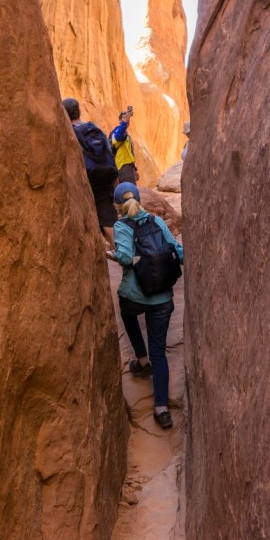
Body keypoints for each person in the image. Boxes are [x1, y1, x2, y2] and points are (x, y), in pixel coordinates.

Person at [106, 182, 183, 430]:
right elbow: (178, 251)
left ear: (118, 207)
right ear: (139, 201)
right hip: (162, 297)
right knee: (159, 351)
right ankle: (161, 408)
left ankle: (141, 360)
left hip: (136, 296)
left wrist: (117, 255)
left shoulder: (121, 226)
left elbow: (126, 258)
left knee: (127, 311)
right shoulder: (156, 221)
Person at [63, 97, 118, 245]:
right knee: (108, 219)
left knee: (89, 217)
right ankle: (121, 253)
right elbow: (108, 153)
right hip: (106, 176)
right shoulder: (94, 128)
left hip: (88, 179)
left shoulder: (70, 133)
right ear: (79, 111)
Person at [109, 106, 138, 184]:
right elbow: (119, 136)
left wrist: (134, 169)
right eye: (124, 118)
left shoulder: (127, 134)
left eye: (127, 117)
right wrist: (124, 123)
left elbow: (129, 153)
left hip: (128, 167)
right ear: (119, 120)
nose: (126, 119)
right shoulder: (117, 130)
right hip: (123, 166)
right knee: (128, 192)